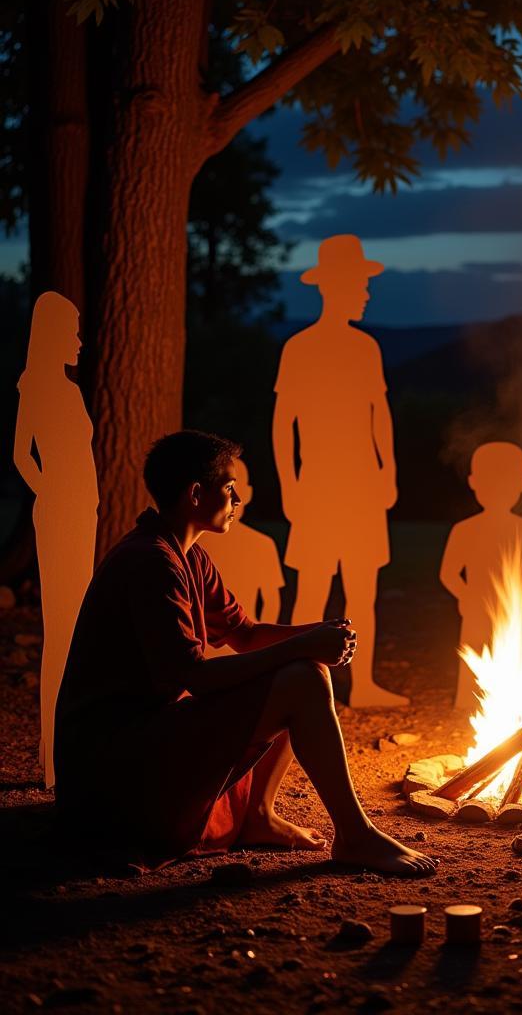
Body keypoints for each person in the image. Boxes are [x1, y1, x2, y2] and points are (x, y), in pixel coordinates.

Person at [53, 430, 436, 876]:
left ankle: (257, 816)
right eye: (229, 488)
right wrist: (303, 648)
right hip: (115, 772)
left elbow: (245, 633)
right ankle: (355, 835)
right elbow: (194, 676)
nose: (237, 500)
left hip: (144, 742)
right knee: (303, 678)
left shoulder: (188, 557)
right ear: (197, 494)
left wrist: (317, 633)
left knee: (306, 669)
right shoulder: (151, 563)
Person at [273, 234, 407, 708]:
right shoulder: (300, 348)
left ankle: (363, 683)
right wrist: (290, 485)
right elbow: (282, 423)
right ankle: (299, 683)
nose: (367, 294)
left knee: (361, 590)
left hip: (363, 486)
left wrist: (386, 470)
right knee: (310, 590)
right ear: (338, 287)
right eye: (361, 286)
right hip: (319, 486)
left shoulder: (365, 348)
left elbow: (379, 414)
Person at [13, 291, 98, 789]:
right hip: (59, 514)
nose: (81, 343)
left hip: (80, 514)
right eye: (73, 333)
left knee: (76, 626)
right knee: (60, 631)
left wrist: (82, 500)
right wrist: (53, 491)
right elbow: (22, 454)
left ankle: (60, 744)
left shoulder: (70, 390)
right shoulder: (39, 385)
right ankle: (52, 757)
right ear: (52, 335)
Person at [440, 442, 522, 710]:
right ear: (473, 482)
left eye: (505, 483)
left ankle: (513, 702)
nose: (497, 491)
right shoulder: (464, 530)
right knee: (474, 653)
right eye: (489, 483)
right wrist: (465, 594)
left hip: (514, 613)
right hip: (476, 608)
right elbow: (448, 573)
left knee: (515, 654)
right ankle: (469, 702)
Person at [202, 457, 285, 655]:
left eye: (238, 488)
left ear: (249, 492)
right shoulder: (192, 553)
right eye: (229, 488)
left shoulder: (262, 545)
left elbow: (270, 602)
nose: (237, 499)